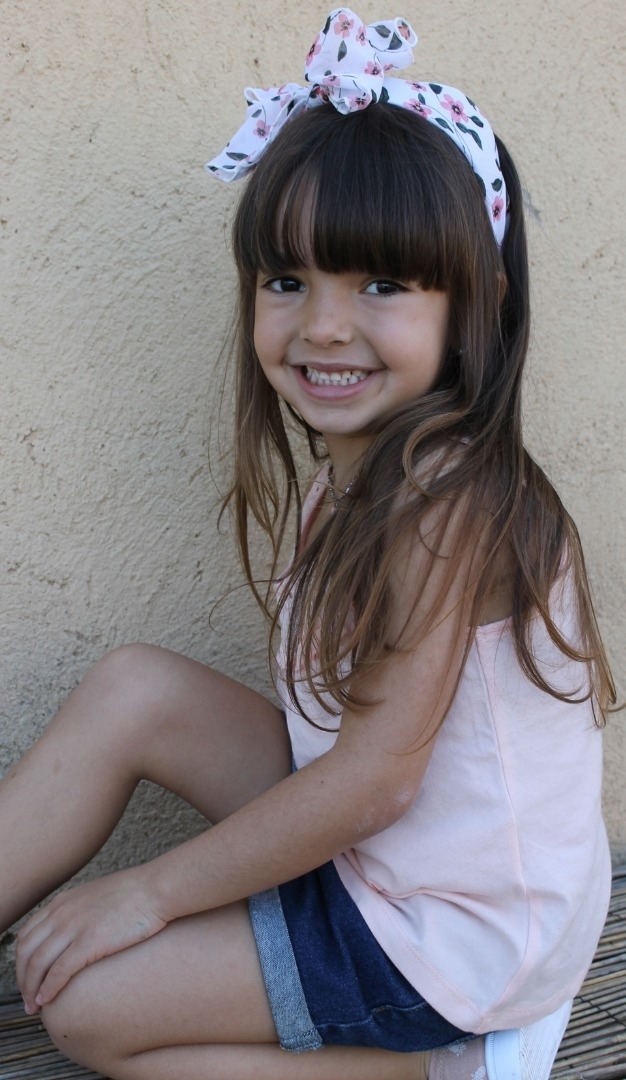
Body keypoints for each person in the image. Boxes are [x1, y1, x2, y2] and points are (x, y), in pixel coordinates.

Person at [0, 8, 614, 1080]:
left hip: (453, 930)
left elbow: (371, 786)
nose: (322, 324)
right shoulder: (358, 471)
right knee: (136, 688)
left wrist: (148, 891)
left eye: (379, 283)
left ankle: (448, 1068)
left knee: (86, 1007)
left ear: (479, 300)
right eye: (288, 281)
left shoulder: (449, 502)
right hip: (389, 853)